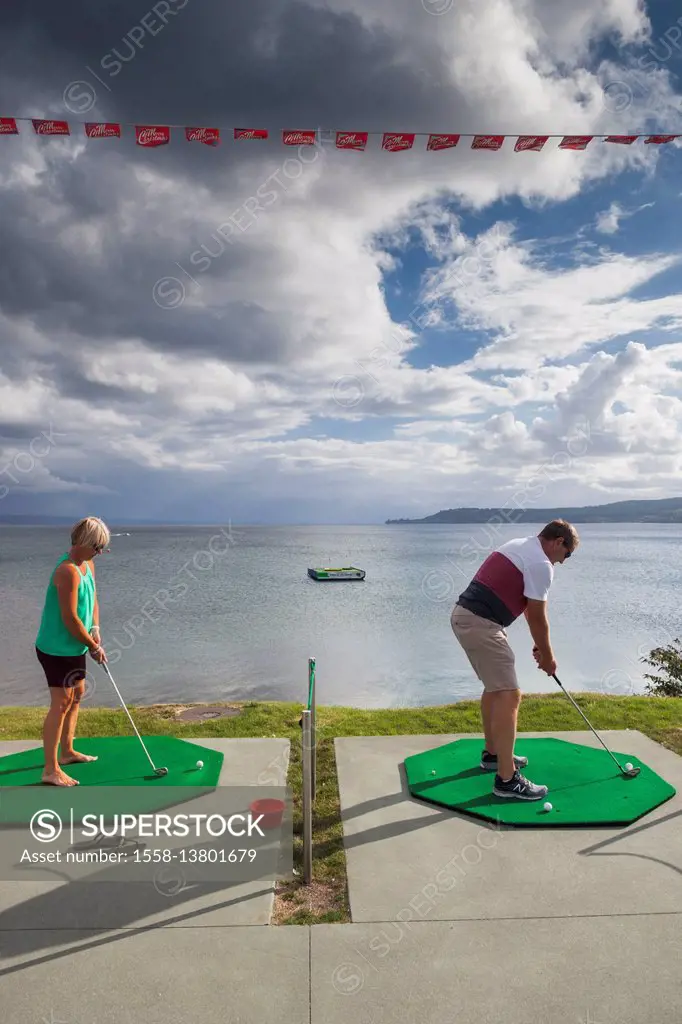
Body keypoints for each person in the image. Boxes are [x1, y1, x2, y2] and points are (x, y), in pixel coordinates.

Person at [450, 519, 579, 801]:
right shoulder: (541, 564)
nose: (564, 562)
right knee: (510, 695)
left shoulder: (521, 545)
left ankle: (494, 754)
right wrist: (548, 655)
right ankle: (507, 780)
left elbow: (514, 601)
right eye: (566, 555)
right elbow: (536, 615)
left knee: (496, 691)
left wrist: (540, 647)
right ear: (559, 542)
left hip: (468, 618)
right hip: (481, 624)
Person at [35, 516, 110, 786]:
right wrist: (93, 646)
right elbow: (70, 619)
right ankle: (50, 769)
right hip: (56, 647)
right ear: (81, 542)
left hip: (74, 644)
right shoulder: (66, 570)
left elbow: (92, 601)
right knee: (61, 702)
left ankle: (66, 752)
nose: (99, 553)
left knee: (77, 695)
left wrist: (96, 628)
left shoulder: (87, 564)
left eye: (103, 548)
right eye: (96, 547)